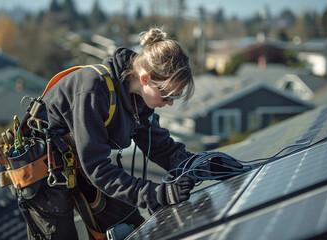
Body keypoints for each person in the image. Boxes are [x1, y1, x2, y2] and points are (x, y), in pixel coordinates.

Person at [23, 27, 197, 240]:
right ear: (145, 79)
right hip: (44, 172)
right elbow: (98, 168)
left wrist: (201, 165)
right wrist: (155, 194)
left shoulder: (140, 103)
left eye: (175, 97)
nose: (169, 103)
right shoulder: (94, 90)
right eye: (166, 94)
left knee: (131, 229)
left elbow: (161, 148)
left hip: (81, 164)